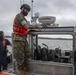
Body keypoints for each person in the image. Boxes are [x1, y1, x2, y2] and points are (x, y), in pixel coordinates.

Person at [12, 4, 43, 75]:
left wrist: (34, 26)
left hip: (23, 38)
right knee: (20, 56)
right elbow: (26, 26)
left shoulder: (23, 18)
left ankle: (24, 66)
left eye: (28, 11)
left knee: (28, 53)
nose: (27, 12)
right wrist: (37, 26)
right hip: (18, 39)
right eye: (26, 10)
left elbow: (26, 25)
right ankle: (20, 70)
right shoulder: (19, 16)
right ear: (22, 9)